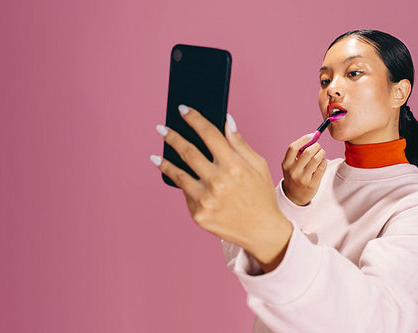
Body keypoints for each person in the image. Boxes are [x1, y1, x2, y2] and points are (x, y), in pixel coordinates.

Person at [150, 29, 418, 332]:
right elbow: (243, 260)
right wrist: (291, 198)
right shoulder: (312, 178)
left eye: (354, 73)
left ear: (399, 92)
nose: (333, 90)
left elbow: (382, 321)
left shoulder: (411, 202)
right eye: (325, 81)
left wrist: (268, 227)